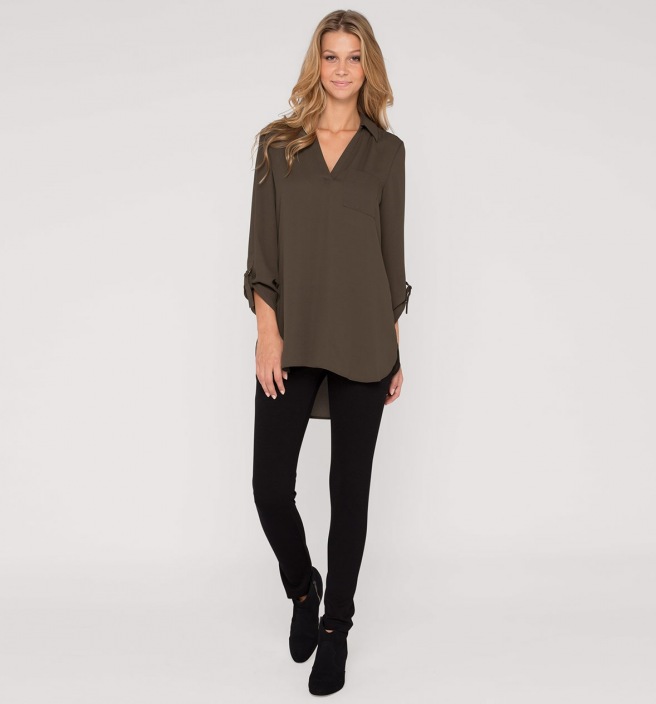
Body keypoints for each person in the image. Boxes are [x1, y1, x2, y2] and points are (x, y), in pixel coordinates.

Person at [243, 9, 411, 696]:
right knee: (268, 486)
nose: (342, 69)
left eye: (354, 57)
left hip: (366, 337)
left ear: (368, 68)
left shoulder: (387, 152)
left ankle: (336, 628)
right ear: (318, 64)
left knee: (350, 494)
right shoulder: (277, 145)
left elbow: (391, 257)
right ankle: (302, 586)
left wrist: (395, 348)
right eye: (332, 56)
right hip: (295, 336)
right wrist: (267, 333)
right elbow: (261, 253)